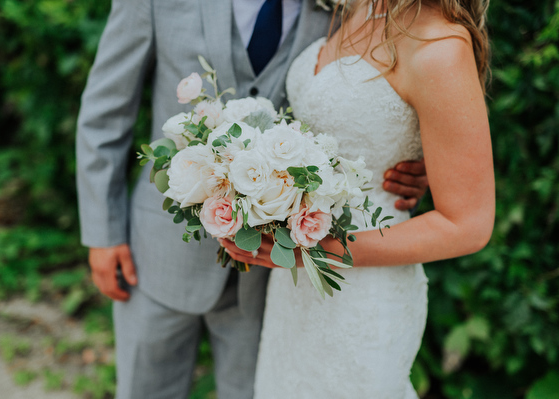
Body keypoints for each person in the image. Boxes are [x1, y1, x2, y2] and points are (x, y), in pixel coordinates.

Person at [76, 1, 429, 398]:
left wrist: (409, 162)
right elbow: (105, 115)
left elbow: (367, 105)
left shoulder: (339, 8)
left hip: (274, 269)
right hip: (159, 255)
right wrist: (102, 232)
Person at [222, 0, 494, 397]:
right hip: (295, 292)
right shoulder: (352, 7)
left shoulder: (441, 45)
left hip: (363, 292)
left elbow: (467, 225)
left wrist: (319, 249)